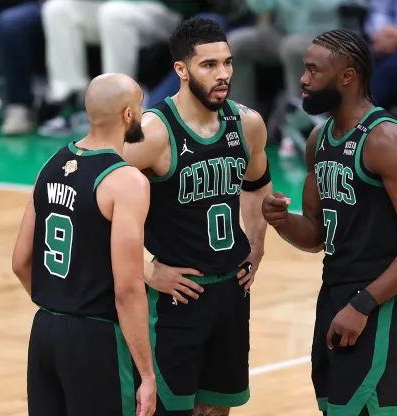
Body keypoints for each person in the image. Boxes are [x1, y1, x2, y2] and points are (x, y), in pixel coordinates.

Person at [262, 30, 397, 415]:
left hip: (379, 300)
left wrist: (363, 304)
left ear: (347, 77)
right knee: (334, 409)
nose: (303, 79)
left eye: (313, 70)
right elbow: (315, 234)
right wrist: (282, 222)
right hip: (334, 293)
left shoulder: (386, 141)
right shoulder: (318, 140)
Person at [122, 17, 273, 415]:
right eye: (209, 65)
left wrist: (257, 247)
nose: (223, 74)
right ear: (182, 70)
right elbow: (92, 199)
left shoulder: (248, 123)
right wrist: (145, 270)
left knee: (217, 410)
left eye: (227, 63)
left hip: (231, 295)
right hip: (176, 298)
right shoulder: (153, 132)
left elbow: (257, 186)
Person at [11, 73, 156, 416]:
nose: (142, 113)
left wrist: (61, 306)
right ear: (127, 115)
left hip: (45, 330)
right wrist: (147, 375)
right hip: (97, 340)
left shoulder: (51, 164)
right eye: (140, 106)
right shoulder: (126, 181)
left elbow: (20, 261)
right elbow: (128, 289)